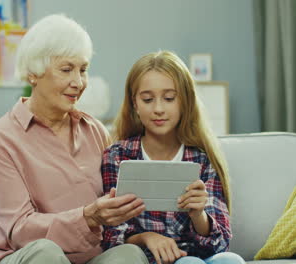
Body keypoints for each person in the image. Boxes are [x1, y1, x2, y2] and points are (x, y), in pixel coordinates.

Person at [0, 14, 149, 264]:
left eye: (83, 70)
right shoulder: (0, 140)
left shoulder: (95, 131)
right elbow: (20, 230)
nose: (78, 82)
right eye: (67, 70)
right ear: (33, 74)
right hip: (29, 256)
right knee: (46, 252)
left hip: (90, 258)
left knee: (129, 255)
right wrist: (88, 217)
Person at [101, 51, 246, 264]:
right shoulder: (117, 156)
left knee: (230, 260)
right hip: (149, 259)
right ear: (135, 104)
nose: (159, 109)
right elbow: (111, 234)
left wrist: (198, 215)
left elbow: (220, 242)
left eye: (169, 98)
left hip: (197, 255)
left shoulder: (202, 159)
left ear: (184, 102)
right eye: (148, 99)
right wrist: (147, 237)